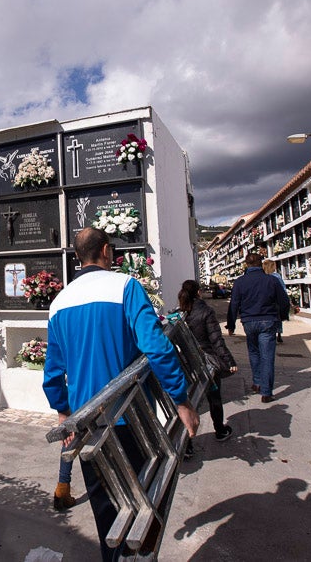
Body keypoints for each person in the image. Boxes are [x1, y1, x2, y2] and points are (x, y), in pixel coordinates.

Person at [43, 228, 200, 561]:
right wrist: (181, 400)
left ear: (77, 257)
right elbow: (156, 346)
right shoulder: (126, 287)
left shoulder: (59, 303)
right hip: (132, 419)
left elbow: (53, 370)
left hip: (87, 424)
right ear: (105, 251)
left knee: (107, 518)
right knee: (142, 505)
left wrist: (63, 411)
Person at [174, 282, 237, 441]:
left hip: (185, 361)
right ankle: (220, 430)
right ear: (198, 292)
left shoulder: (179, 314)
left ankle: (187, 442)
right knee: (214, 396)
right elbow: (216, 340)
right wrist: (229, 361)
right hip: (206, 360)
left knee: (188, 400)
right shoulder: (206, 312)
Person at [226, 252, 290, 403]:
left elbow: (234, 304)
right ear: (260, 263)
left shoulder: (240, 282)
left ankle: (257, 382)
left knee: (254, 352)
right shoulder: (271, 280)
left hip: (249, 322)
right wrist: (282, 316)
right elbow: (284, 301)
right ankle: (266, 392)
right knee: (267, 356)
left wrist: (231, 324)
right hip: (268, 320)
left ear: (246, 264)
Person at [261, 259, 289, 343]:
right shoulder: (276, 276)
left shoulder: (261, 276)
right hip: (276, 300)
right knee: (277, 317)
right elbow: (282, 287)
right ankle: (279, 334)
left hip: (265, 300)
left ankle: (270, 334)